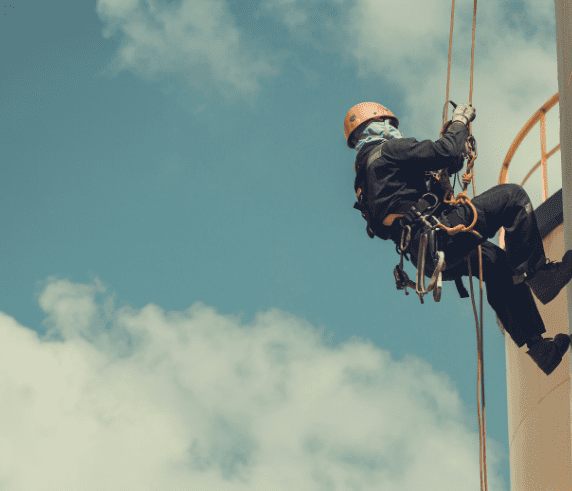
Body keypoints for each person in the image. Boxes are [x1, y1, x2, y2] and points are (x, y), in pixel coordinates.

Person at [344, 101, 572, 376]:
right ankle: (540, 275)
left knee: (498, 265)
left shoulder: (364, 180)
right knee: (512, 197)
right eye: (390, 125)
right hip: (438, 237)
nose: (393, 130)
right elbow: (448, 151)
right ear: (376, 125)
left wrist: (437, 181)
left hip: (425, 256)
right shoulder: (388, 150)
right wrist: (459, 122)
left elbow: (394, 216)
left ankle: (540, 349)